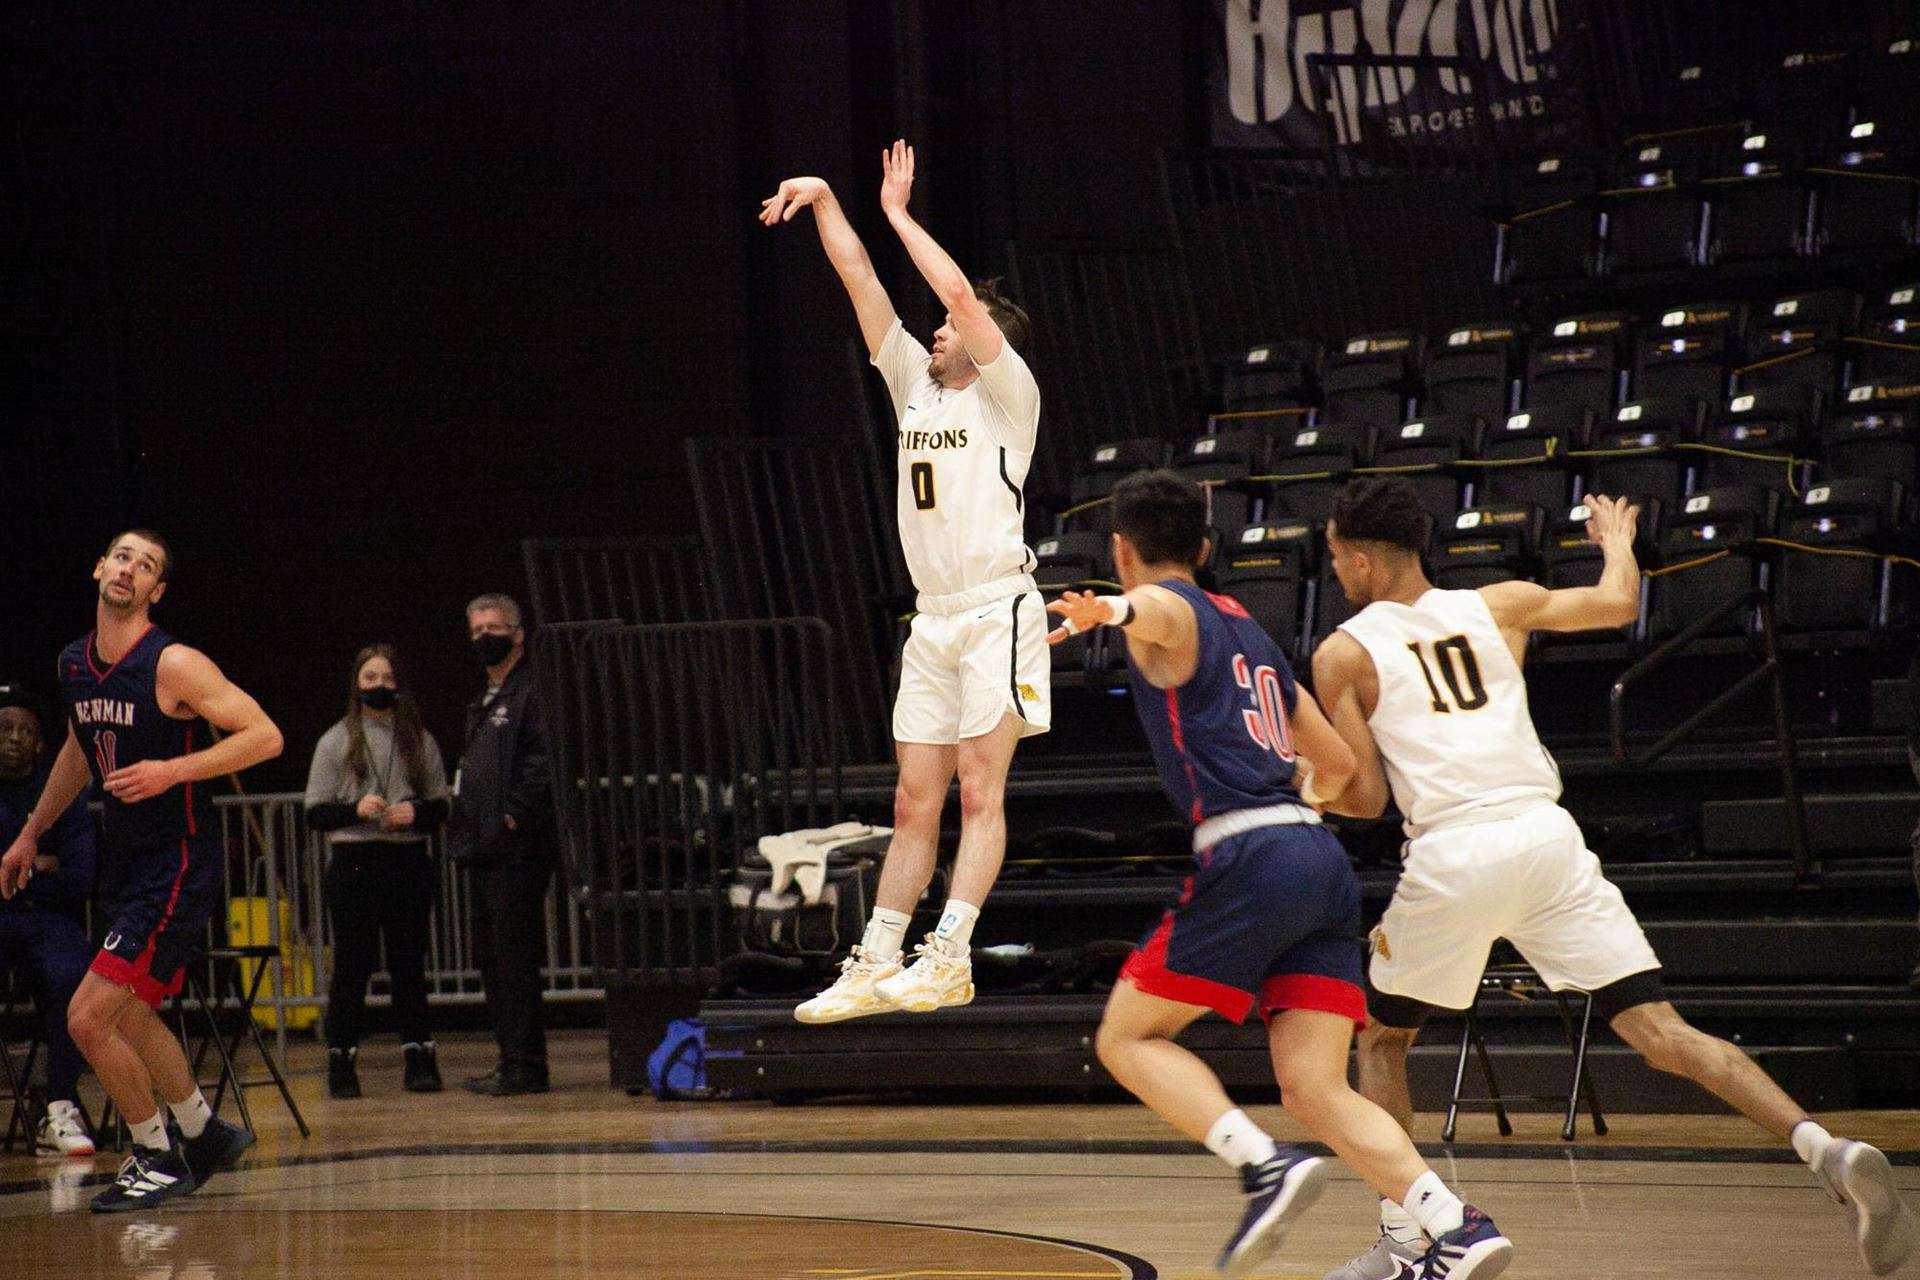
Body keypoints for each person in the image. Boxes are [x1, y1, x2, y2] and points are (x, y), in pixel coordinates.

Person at [1309, 477, 1918, 1279]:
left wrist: (1308, 780)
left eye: (1334, 559)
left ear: (1355, 557)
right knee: (1660, 1032)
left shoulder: (1343, 651)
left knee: (1383, 1038)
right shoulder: (1501, 602)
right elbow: (1615, 604)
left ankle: (1410, 1238)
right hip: (1548, 836)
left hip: (1458, 849)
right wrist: (1618, 543)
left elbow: (1365, 796)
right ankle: (1824, 1147)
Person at [1046, 470, 1512, 1280]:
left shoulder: (1168, 611)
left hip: (1251, 853)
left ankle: (1262, 1164)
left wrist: (1110, 610)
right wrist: (1294, 802)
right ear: (1204, 545)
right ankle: (1454, 1224)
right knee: (1314, 1088)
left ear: (1122, 551)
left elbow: (1157, 606)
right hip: (1319, 860)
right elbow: (1333, 762)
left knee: (1126, 1037)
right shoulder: (1252, 631)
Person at [763, 140, 1050, 1021]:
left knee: (978, 789)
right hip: (932, 621)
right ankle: (875, 956)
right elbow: (863, 287)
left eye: (947, 328)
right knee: (911, 799)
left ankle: (951, 952)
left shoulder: (1008, 396)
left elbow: (958, 294)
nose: (933, 330)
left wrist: (897, 214)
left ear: (983, 340)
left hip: (997, 608)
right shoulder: (914, 388)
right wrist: (824, 204)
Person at [0, 529, 279, 1212]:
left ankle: (156, 1154)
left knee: (88, 1019)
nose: (129, 569)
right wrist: (30, 833)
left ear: (156, 591)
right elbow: (77, 749)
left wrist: (171, 770)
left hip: (178, 862)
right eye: (122, 556)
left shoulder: (173, 662)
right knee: (128, 1016)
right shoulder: (74, 664)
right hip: (132, 866)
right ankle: (203, 1131)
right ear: (100, 568)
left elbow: (264, 736)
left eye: (145, 565)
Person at [304, 644, 450, 1098]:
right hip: (355, 861)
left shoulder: (420, 740)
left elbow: (442, 804)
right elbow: (315, 812)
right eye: (370, 678)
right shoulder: (334, 741)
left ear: (399, 684)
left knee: (410, 963)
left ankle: (420, 1058)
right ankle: (341, 1063)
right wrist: (354, 809)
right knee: (352, 965)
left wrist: (416, 813)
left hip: (406, 860)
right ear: (356, 685)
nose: (379, 685)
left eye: (387, 677)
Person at [446, 593, 554, 1096]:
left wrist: (512, 817)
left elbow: (543, 764)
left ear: (518, 634)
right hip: (484, 849)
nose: (484, 636)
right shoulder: (484, 700)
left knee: (514, 959)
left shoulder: (532, 692)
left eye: (494, 627)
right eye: (475, 630)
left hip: (516, 849)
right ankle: (510, 1058)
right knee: (493, 960)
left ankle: (526, 1065)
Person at [0, 680, 97, 1156]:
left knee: (74, 977)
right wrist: (36, 864)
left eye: (25, 730)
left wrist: (17, 871)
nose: (14, 737)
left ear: (41, 742)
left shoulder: (60, 792)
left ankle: (59, 1107)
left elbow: (79, 875)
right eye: (4, 728)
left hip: (45, 918)